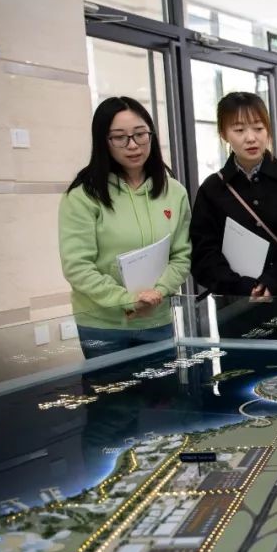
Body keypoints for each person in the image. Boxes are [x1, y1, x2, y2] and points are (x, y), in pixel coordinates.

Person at [59, 97, 191, 359]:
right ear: (103, 141)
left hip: (157, 320)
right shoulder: (83, 195)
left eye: (140, 134)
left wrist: (158, 293)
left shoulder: (174, 191)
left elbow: (181, 255)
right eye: (120, 138)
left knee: (164, 385)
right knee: (112, 387)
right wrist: (127, 300)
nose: (133, 145)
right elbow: (77, 266)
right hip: (103, 326)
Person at [190, 92, 277, 339]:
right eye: (239, 130)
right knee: (241, 363)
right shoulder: (212, 189)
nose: (251, 138)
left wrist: (273, 281)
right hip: (236, 309)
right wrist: (239, 285)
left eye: (258, 128)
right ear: (223, 134)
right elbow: (203, 254)